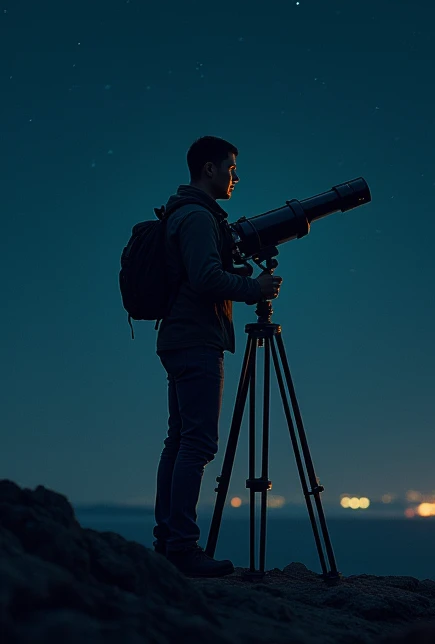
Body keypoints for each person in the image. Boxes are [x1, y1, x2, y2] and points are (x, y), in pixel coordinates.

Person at [152, 135, 282, 578]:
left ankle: (168, 541)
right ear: (208, 169)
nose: (235, 178)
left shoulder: (186, 213)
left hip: (181, 338)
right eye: (230, 168)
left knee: (180, 440)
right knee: (198, 443)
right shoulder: (197, 218)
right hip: (196, 341)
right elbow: (206, 278)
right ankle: (183, 547)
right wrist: (254, 290)